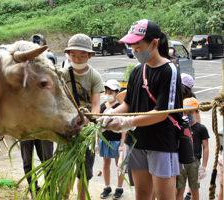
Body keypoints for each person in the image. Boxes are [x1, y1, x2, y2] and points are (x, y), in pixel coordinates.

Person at [98, 19, 183, 200]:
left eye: (138, 46)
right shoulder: (137, 70)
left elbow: (162, 113)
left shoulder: (169, 70)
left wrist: (128, 122)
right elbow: (128, 104)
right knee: (142, 194)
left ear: (153, 43)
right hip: (137, 142)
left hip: (161, 143)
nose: (134, 51)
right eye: (132, 47)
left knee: (164, 196)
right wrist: (110, 114)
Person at [61, 33, 104, 200]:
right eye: (73, 56)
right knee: (64, 168)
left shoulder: (94, 76)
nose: (77, 59)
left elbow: (96, 104)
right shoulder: (63, 74)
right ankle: (63, 196)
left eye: (82, 56)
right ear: (68, 55)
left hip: (86, 130)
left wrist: (90, 121)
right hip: (66, 129)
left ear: (90, 56)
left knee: (84, 172)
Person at [20, 34, 54, 198]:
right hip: (25, 125)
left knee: (48, 159)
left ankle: (50, 188)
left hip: (44, 124)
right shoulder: (21, 70)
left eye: (37, 44)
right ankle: (33, 190)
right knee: (28, 162)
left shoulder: (49, 63)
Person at [95, 79, 125, 199]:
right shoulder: (102, 106)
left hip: (117, 140)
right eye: (106, 91)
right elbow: (97, 124)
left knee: (119, 164)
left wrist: (122, 144)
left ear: (117, 92)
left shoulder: (121, 107)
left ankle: (119, 188)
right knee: (105, 163)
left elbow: (124, 126)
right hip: (104, 139)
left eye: (111, 91)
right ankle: (107, 187)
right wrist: (97, 140)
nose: (107, 94)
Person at [176, 97, 209, 200]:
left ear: (196, 112)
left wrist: (203, 167)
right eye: (184, 112)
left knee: (194, 189)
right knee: (179, 189)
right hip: (180, 160)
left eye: (190, 112)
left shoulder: (201, 128)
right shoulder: (178, 127)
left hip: (194, 161)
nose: (187, 115)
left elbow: (206, 147)